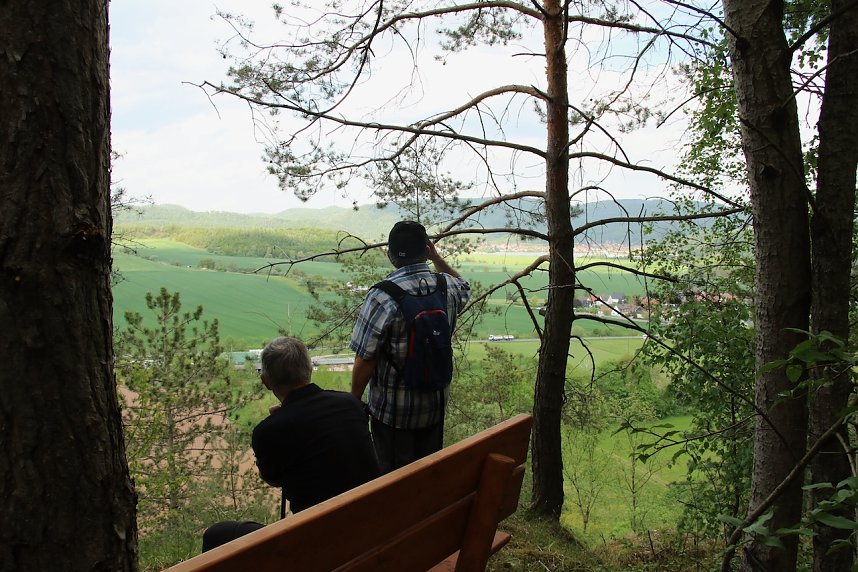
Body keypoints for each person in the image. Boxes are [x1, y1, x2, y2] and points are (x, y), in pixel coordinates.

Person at [202, 336, 380, 552]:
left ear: (266, 381)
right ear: (310, 368)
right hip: (374, 524)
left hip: (317, 543)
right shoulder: (350, 404)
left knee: (217, 534)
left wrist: (279, 425)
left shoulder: (267, 431)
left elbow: (274, 480)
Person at [350, 220, 470, 473]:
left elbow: (366, 359)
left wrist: (353, 403)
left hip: (393, 416)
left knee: (393, 482)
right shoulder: (446, 286)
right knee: (427, 477)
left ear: (390, 254)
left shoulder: (382, 295)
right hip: (434, 409)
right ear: (427, 250)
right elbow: (464, 286)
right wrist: (438, 259)